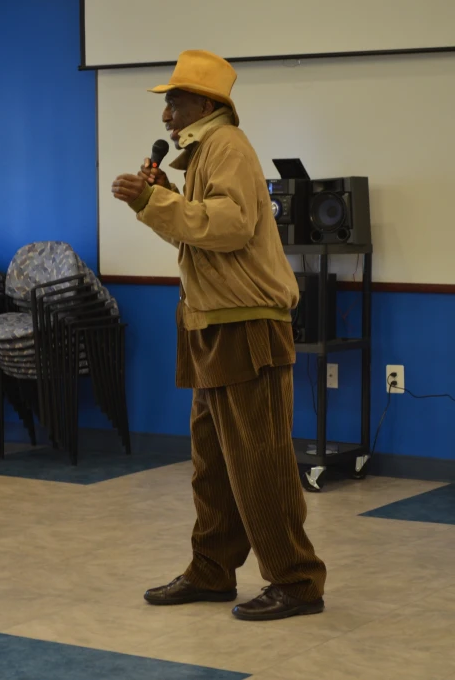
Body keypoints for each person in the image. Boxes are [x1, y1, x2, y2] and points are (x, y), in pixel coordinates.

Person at [111, 50, 326, 621]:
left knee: (260, 462)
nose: (166, 118)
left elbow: (228, 228)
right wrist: (160, 203)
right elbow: (201, 239)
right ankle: (211, 571)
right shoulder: (203, 154)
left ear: (205, 104)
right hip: (212, 326)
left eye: (174, 103)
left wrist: (155, 200)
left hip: (245, 327)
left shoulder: (227, 145)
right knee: (213, 463)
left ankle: (297, 581)